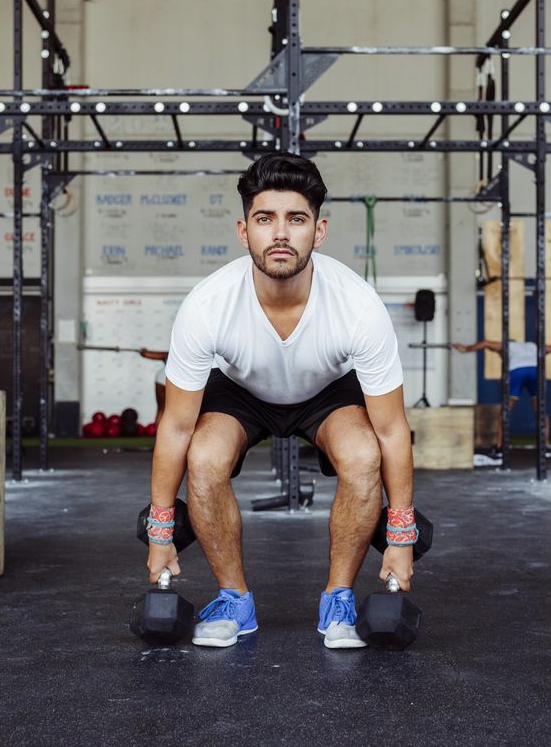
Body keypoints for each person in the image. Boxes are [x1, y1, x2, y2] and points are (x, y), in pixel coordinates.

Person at [144, 153, 414, 650]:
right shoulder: (207, 306)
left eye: (297, 219)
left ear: (320, 230)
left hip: (327, 390)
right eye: (265, 219)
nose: (281, 233)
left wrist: (400, 537)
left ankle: (339, 599)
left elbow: (394, 429)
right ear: (244, 231)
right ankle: (234, 600)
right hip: (242, 391)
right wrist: (161, 530)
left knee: (363, 454)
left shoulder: (358, 306)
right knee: (203, 457)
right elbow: (176, 428)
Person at [451, 339, 551, 444]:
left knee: (505, 412)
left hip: (517, 372)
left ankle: (500, 447)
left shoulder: (507, 345)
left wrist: (466, 349)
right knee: (541, 410)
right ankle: (546, 447)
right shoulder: (533, 346)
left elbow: (485, 343)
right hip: (535, 371)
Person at [137, 348, 169, 423]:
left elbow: (145, 354)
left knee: (161, 409)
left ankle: (158, 434)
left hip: (162, 378)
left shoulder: (172, 353)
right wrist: (144, 351)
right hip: (170, 380)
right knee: (169, 410)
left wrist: (143, 350)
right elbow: (145, 354)